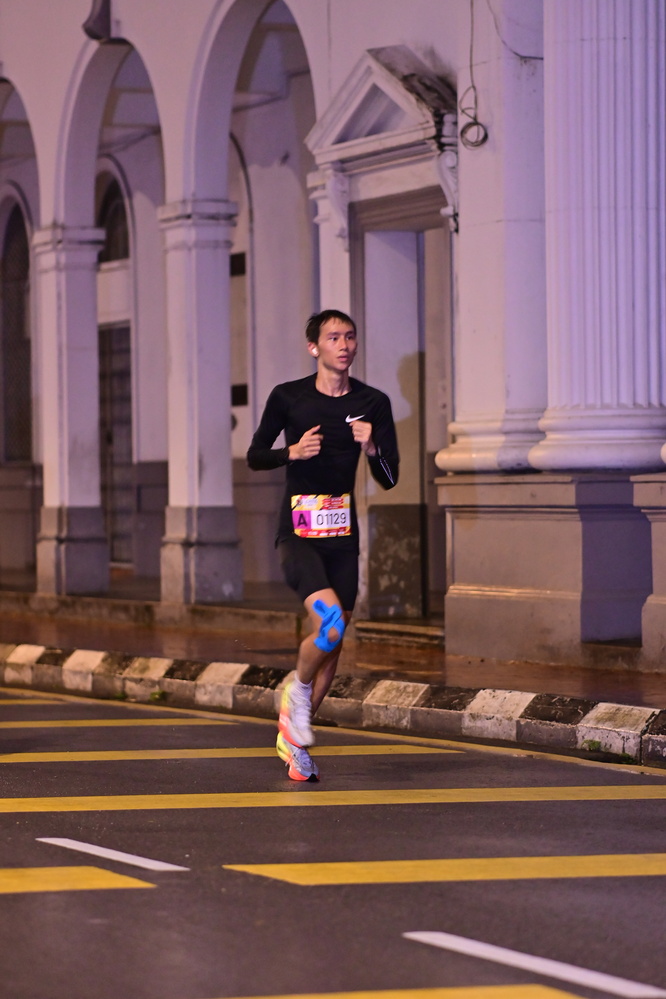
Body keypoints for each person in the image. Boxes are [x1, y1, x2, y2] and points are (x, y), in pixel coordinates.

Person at [247, 309, 399, 781]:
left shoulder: (372, 403)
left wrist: (372, 448)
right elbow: (255, 456)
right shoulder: (288, 397)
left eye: (350, 336)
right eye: (334, 337)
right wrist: (291, 452)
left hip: (341, 537)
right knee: (330, 624)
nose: (344, 345)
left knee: (333, 644)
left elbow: (390, 478)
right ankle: (296, 691)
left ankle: (295, 743)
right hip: (297, 532)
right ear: (314, 347)